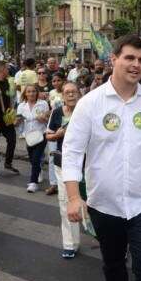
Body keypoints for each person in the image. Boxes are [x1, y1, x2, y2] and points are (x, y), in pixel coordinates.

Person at [63, 34, 141, 281]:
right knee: (114, 267)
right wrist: (74, 197)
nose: (136, 64)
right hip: (105, 205)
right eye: (129, 57)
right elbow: (72, 152)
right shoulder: (89, 104)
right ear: (113, 59)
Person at [47, 81, 82, 259]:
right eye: (67, 92)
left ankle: (111, 242)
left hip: (87, 164)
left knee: (97, 203)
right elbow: (48, 135)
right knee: (65, 202)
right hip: (63, 163)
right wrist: (58, 135)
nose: (70, 95)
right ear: (62, 96)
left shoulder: (86, 110)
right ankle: (70, 244)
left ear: (79, 93)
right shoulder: (57, 111)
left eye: (74, 92)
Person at [16, 84, 50, 193]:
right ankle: (38, 170)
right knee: (32, 159)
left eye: (34, 91)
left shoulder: (43, 104)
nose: (31, 93)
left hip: (41, 135)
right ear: (25, 93)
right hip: (29, 136)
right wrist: (16, 122)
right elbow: (17, 122)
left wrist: (43, 118)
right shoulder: (21, 106)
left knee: (36, 158)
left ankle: (33, 183)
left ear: (37, 92)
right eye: (29, 91)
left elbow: (48, 120)